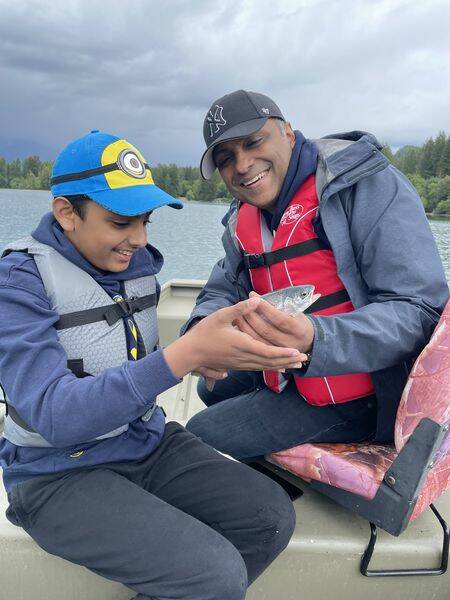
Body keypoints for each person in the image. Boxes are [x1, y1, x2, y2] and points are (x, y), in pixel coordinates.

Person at [0, 131, 306, 600]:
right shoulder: (18, 284)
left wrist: (216, 352)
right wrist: (185, 356)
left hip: (145, 442)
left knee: (270, 517)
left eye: (145, 220)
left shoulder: (134, 262)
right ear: (66, 213)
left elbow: (136, 356)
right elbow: (55, 415)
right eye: (122, 222)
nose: (139, 240)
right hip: (54, 473)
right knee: (214, 576)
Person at [184, 89, 449, 460]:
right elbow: (221, 287)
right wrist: (200, 330)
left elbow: (420, 310)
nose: (242, 165)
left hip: (370, 389)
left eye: (253, 142)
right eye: (226, 158)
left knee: (200, 435)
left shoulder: (364, 184)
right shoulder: (243, 216)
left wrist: (315, 337)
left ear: (288, 133)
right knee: (212, 389)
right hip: (288, 366)